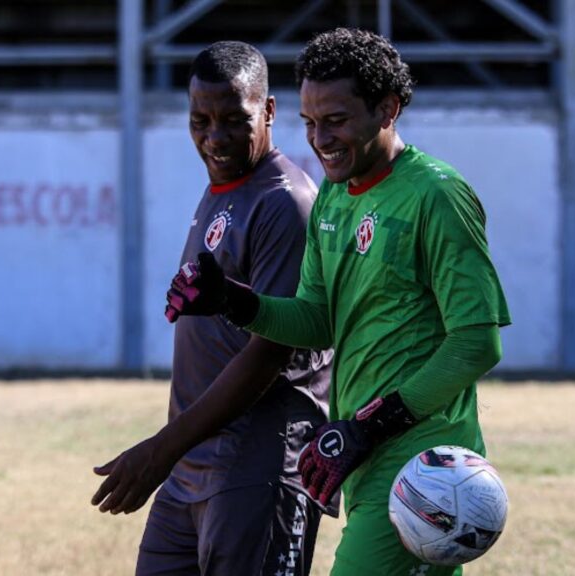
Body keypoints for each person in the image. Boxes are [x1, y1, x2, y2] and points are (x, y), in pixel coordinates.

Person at [165, 29, 511, 575]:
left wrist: (369, 425)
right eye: (309, 122)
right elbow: (317, 318)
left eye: (336, 120)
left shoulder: (437, 195)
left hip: (421, 463)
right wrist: (232, 301)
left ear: (387, 109)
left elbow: (475, 343)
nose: (320, 138)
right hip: (363, 461)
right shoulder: (333, 194)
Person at [90, 41, 334, 576]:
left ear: (269, 111)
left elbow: (269, 355)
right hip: (193, 463)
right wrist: (174, 453)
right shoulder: (224, 188)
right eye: (200, 119)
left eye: (233, 119)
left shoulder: (285, 201)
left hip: (261, 459)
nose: (214, 136)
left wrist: (159, 450)